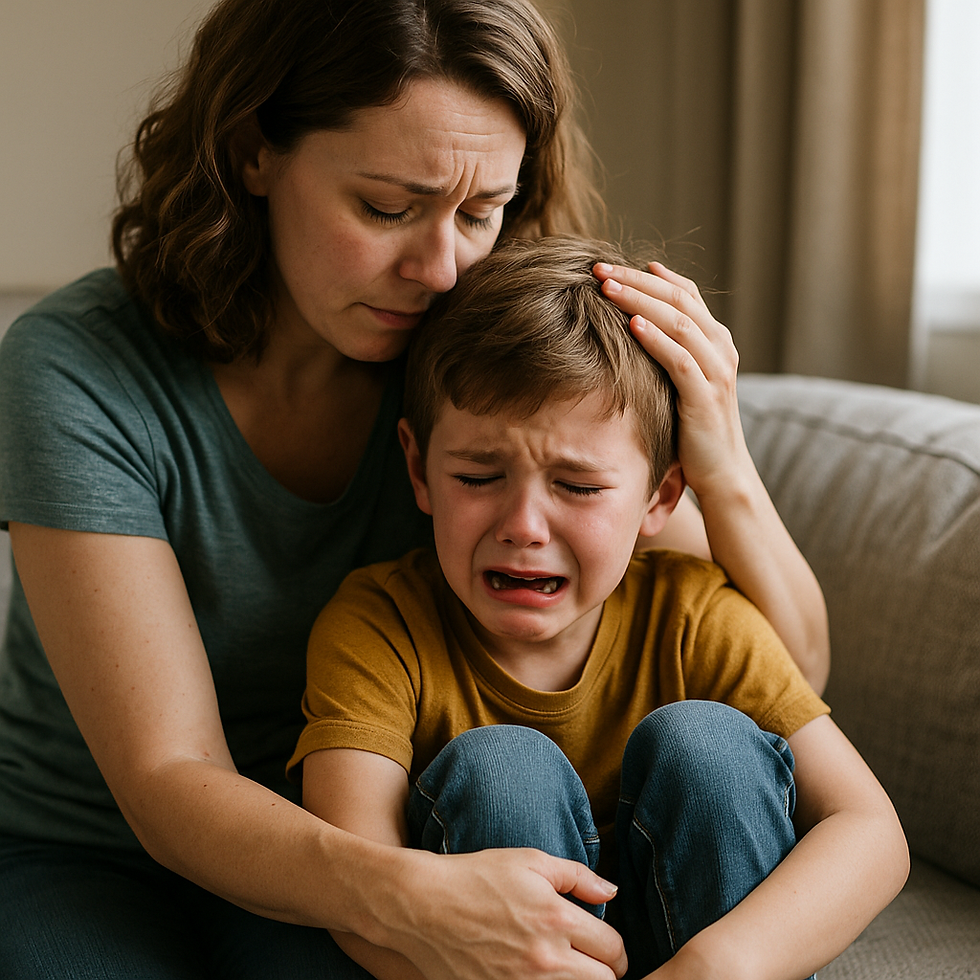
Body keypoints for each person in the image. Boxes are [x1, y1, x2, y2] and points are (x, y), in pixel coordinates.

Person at [0, 0, 828, 977]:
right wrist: (409, 894)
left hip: (386, 812)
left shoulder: (474, 368)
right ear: (251, 151)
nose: (439, 268)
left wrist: (722, 463)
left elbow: (788, 676)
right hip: (96, 846)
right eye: (387, 207)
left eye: (480, 213)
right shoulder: (77, 368)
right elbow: (168, 776)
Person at [291, 236, 909, 980]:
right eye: (479, 474)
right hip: (485, 961)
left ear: (662, 498)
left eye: (579, 488)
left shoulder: (693, 613)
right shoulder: (376, 626)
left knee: (709, 743)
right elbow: (357, 886)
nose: (523, 524)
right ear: (419, 468)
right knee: (502, 768)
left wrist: (722, 964)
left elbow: (871, 831)